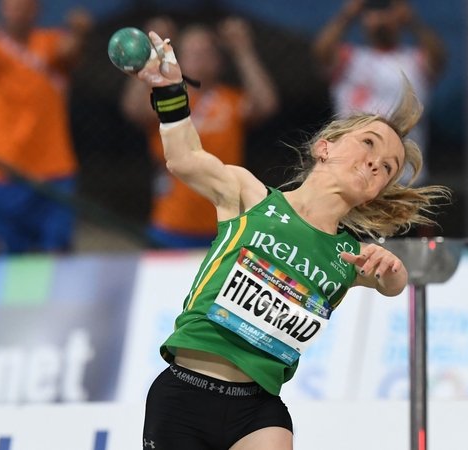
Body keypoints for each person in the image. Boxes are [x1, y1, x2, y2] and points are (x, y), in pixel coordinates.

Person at [133, 30, 449, 449]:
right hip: (185, 393)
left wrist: (394, 269)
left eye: (388, 167)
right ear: (324, 148)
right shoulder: (250, 196)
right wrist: (170, 91)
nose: (376, 161)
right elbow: (184, 157)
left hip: (258, 409)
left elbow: (393, 286)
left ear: (376, 191)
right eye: (368, 143)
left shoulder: (350, 256)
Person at [121, 17, 279, 249]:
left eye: (206, 52)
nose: (199, 58)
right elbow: (133, 109)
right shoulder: (167, 98)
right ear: (178, 58)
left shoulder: (231, 99)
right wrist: (150, 54)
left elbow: (266, 104)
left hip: (225, 223)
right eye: (191, 52)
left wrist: (242, 49)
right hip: (170, 223)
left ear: (219, 61)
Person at [0, 0, 92, 253]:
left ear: (36, 10)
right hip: (1, 170)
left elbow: (70, 51)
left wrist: (79, 30)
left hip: (54, 168)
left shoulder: (50, 41)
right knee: (10, 258)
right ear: (2, 8)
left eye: (25, 6)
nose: (19, 12)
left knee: (58, 252)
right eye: (13, 6)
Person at [313, 0, 446, 183]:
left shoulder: (414, 60)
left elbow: (439, 57)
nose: (380, 17)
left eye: (386, 10)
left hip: (402, 174)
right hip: (352, 172)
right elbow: (322, 51)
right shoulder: (351, 59)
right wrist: (347, 15)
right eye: (372, 11)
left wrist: (412, 21)